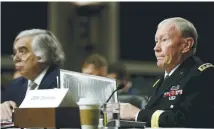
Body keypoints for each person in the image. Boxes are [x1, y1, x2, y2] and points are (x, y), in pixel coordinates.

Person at [120, 17, 214, 128]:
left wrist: (136, 113)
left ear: (186, 45)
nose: (156, 48)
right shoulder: (160, 81)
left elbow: (185, 120)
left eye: (164, 40)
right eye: (156, 41)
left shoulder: (204, 74)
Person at [1, 29, 65, 120]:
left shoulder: (62, 83)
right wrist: (2, 107)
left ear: (43, 54)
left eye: (22, 52)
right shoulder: (14, 86)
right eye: (15, 53)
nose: (15, 59)